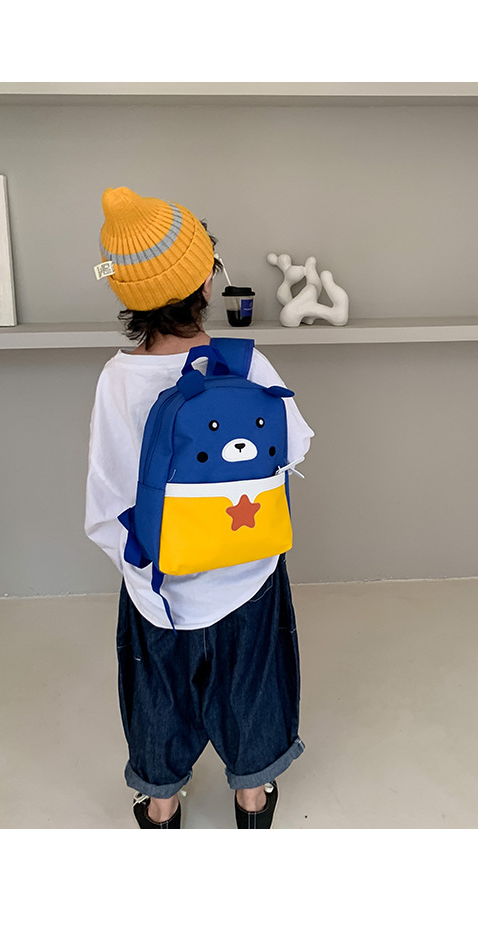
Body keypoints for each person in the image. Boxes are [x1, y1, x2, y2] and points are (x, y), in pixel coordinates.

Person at [85, 186, 313, 829]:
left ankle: (161, 803)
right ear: (206, 283)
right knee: (253, 682)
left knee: (159, 690)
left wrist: (139, 569)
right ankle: (251, 798)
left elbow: (107, 494)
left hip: (160, 578)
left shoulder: (117, 379)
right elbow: (296, 445)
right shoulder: (245, 363)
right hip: (249, 572)